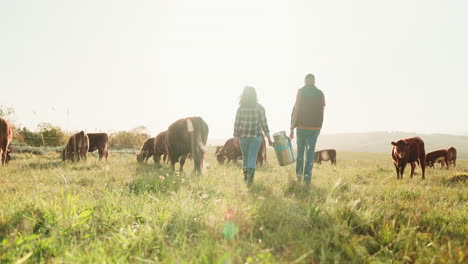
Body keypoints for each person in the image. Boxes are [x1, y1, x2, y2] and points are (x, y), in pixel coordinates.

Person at [290, 74, 326, 184]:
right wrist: (319, 127)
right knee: (310, 155)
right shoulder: (321, 94)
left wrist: (292, 127)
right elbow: (322, 111)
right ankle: (307, 180)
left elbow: (296, 110)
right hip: (315, 128)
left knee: (300, 152)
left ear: (305, 81)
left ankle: (299, 177)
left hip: (301, 127)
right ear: (314, 82)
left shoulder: (301, 92)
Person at [234, 86, 273, 185]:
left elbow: (236, 124)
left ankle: (246, 178)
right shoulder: (260, 108)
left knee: (245, 158)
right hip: (255, 137)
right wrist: (268, 137)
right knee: (252, 158)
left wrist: (235, 137)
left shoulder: (240, 109)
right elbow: (264, 124)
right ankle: (250, 181)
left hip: (243, 137)